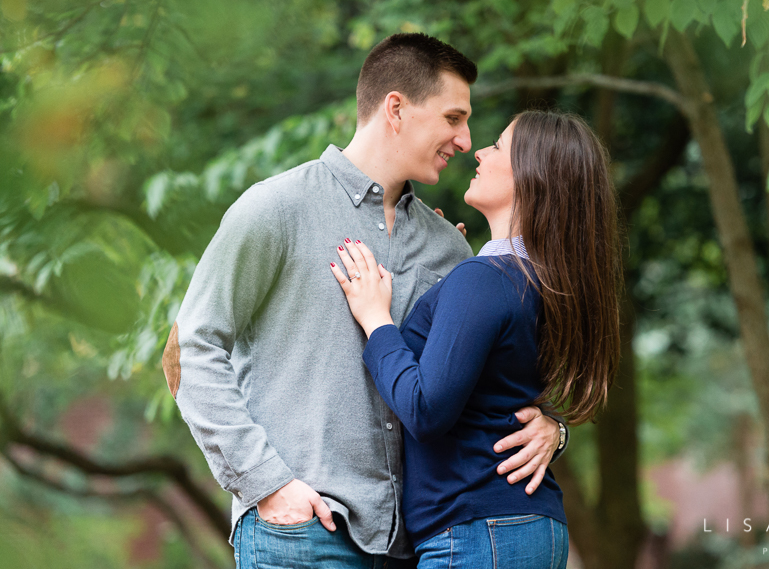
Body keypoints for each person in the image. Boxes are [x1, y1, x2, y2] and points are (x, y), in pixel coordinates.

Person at [162, 34, 565, 569]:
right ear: (395, 109)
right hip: (303, 532)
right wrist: (265, 482)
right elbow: (188, 349)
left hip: (416, 545)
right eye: (452, 118)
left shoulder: (449, 247)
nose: (466, 140)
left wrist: (552, 427)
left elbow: (474, 375)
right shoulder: (276, 208)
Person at [330, 111, 623, 568]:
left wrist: (375, 320)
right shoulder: (543, 283)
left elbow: (426, 410)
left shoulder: (484, 280)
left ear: (532, 177)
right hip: (522, 524)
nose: (480, 151)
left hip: (478, 528)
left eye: (499, 146)